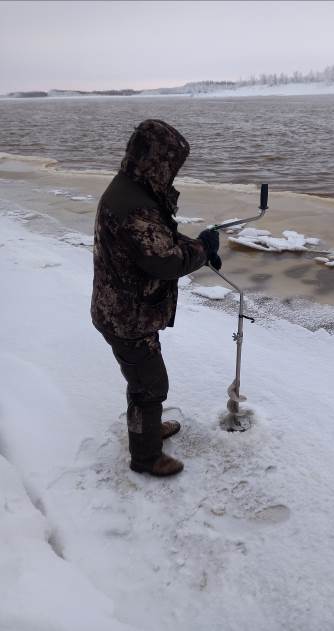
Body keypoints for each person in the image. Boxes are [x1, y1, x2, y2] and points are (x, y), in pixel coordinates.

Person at [91, 119, 221, 477]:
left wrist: (198, 247)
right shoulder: (134, 206)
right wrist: (202, 250)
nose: (173, 173)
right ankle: (146, 456)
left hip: (126, 310)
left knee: (143, 381)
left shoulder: (132, 188)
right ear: (154, 160)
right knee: (149, 386)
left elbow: (159, 238)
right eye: (170, 164)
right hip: (126, 317)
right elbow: (165, 262)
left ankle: (147, 428)